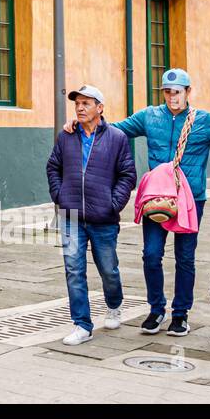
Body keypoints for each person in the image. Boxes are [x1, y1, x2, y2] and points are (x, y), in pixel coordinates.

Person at [66, 68, 210, 337]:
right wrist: (81, 123)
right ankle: (156, 309)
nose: (173, 97)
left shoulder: (203, 121)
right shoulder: (149, 116)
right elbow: (113, 130)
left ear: (188, 92)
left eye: (178, 92)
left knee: (185, 257)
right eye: (168, 92)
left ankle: (180, 315)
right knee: (151, 255)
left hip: (190, 199)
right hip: (156, 198)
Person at [46, 86, 137, 346]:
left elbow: (128, 175)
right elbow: (53, 166)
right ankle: (82, 325)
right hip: (70, 214)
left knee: (108, 269)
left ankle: (114, 304)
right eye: (77, 103)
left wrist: (113, 203)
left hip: (103, 218)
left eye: (86, 103)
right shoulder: (66, 136)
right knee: (74, 270)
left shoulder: (117, 137)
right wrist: (59, 194)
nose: (80, 107)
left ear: (100, 108)